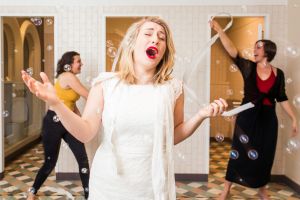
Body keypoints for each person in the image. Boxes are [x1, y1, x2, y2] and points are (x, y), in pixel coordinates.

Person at [22, 17, 227, 200]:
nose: (155, 39)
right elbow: (85, 132)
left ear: (164, 49)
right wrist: (56, 103)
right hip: (109, 186)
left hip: (153, 186)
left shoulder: (173, 88)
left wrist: (200, 115)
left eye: (161, 37)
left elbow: (171, 136)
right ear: (132, 43)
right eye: (148, 34)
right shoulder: (106, 84)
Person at [210, 20, 299, 200]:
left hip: (268, 119)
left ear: (267, 51)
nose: (254, 49)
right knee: (239, 151)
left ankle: (262, 189)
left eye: (258, 47)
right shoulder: (248, 67)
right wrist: (219, 29)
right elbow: (232, 51)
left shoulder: (278, 73)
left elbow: (281, 98)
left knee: (265, 154)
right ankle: (226, 188)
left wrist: (294, 119)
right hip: (247, 116)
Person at [26, 51, 90, 200]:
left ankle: (89, 195)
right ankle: (32, 192)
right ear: (69, 64)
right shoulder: (68, 77)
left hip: (68, 121)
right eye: (78, 61)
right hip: (53, 122)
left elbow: (71, 105)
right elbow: (88, 95)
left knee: (82, 159)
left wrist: (81, 121)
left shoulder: (69, 77)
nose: (81, 64)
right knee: (50, 162)